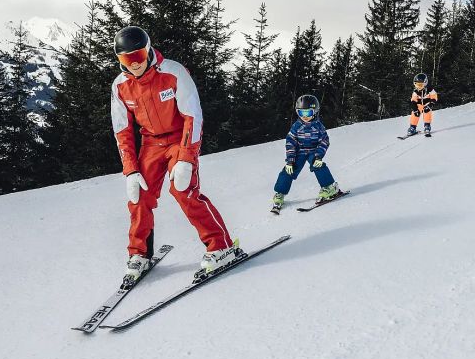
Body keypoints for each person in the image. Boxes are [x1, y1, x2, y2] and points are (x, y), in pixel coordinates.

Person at [110, 26, 239, 285]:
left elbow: (193, 115)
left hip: (179, 138)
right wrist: (131, 169)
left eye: (137, 56)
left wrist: (186, 157)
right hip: (150, 144)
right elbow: (122, 130)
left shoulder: (172, 72)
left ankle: (221, 246)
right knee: (138, 194)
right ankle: (139, 253)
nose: (133, 65)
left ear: (147, 52)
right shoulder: (121, 86)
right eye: (126, 60)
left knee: (183, 189)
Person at [271, 95, 341, 210]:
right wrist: (290, 160)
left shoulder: (318, 127)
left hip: (313, 151)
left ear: (315, 112)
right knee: (289, 169)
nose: (304, 116)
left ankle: (330, 187)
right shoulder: (296, 127)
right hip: (300, 152)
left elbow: (324, 141)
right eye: (300, 113)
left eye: (308, 113)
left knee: (317, 165)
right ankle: (280, 193)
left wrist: (319, 156)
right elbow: (290, 143)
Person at [406, 73, 439, 137]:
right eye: (417, 85)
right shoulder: (416, 91)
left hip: (427, 103)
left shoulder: (430, 89)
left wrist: (430, 105)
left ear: (425, 83)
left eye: (420, 85)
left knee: (427, 112)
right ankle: (412, 127)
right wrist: (415, 109)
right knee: (415, 114)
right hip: (419, 104)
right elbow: (413, 100)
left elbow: (434, 97)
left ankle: (427, 126)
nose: (418, 87)